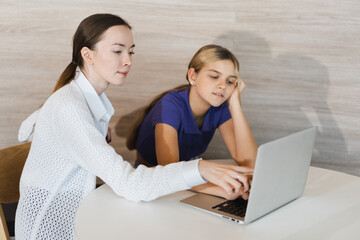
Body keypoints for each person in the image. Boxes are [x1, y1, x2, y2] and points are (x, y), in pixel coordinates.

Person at [14, 14, 253, 239]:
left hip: (83, 213)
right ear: (88, 55)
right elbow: (129, 184)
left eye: (130, 52)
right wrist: (200, 168)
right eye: (118, 51)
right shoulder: (70, 107)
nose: (128, 61)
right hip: (53, 228)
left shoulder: (90, 103)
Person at [126, 44, 258, 200]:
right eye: (214, 76)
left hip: (190, 176)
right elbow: (170, 171)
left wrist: (234, 102)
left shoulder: (220, 106)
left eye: (230, 81)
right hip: (154, 179)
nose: (223, 86)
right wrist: (219, 190)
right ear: (193, 76)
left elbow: (250, 162)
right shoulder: (170, 106)